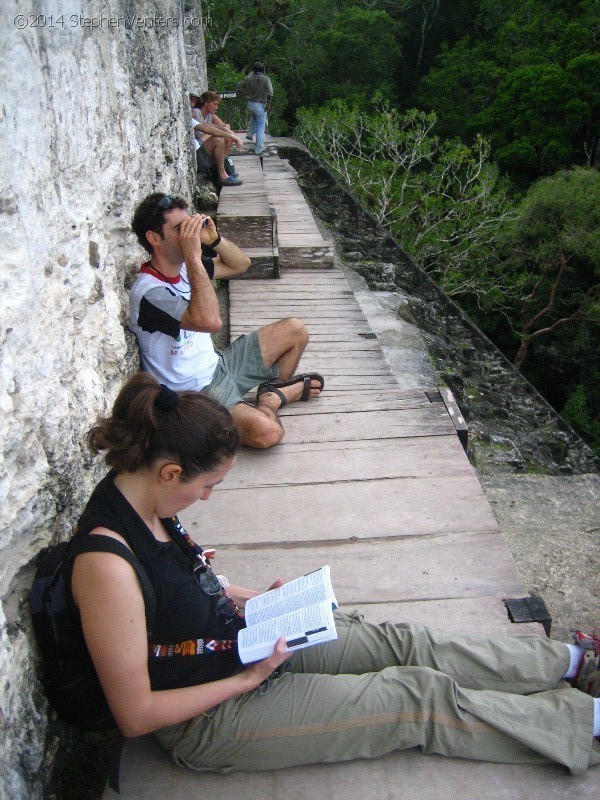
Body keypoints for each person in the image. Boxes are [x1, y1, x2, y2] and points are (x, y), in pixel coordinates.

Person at [71, 372, 600, 779]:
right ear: (170, 472)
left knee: (400, 643)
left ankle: (575, 662)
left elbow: (183, 586)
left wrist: (258, 600)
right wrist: (246, 680)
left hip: (244, 639)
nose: (207, 497)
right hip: (212, 713)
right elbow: (136, 714)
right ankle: (584, 725)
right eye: (207, 486)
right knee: (411, 698)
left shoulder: (151, 498)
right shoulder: (106, 567)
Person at [129, 192, 324, 449]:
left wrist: (214, 239)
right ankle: (271, 400)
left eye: (191, 224)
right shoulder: (150, 293)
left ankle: (267, 393)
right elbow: (211, 321)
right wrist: (194, 256)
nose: (191, 233)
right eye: (180, 229)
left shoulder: (187, 269)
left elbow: (241, 264)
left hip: (220, 364)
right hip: (197, 394)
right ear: (154, 238)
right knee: (268, 434)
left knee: (295, 331)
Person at [188, 91, 244, 187]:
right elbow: (205, 128)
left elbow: (210, 126)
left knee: (223, 137)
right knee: (218, 139)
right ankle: (222, 175)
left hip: (201, 151)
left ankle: (222, 169)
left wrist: (230, 134)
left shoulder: (206, 116)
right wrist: (231, 135)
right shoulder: (194, 114)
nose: (193, 103)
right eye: (191, 100)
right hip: (197, 155)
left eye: (195, 101)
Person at [236, 62, 273, 157]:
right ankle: (258, 149)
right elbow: (270, 93)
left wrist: (245, 94)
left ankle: (250, 133)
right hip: (260, 104)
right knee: (261, 126)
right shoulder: (266, 79)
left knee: (255, 118)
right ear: (262, 70)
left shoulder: (248, 78)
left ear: (253, 71)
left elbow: (239, 86)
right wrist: (268, 104)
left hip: (250, 104)